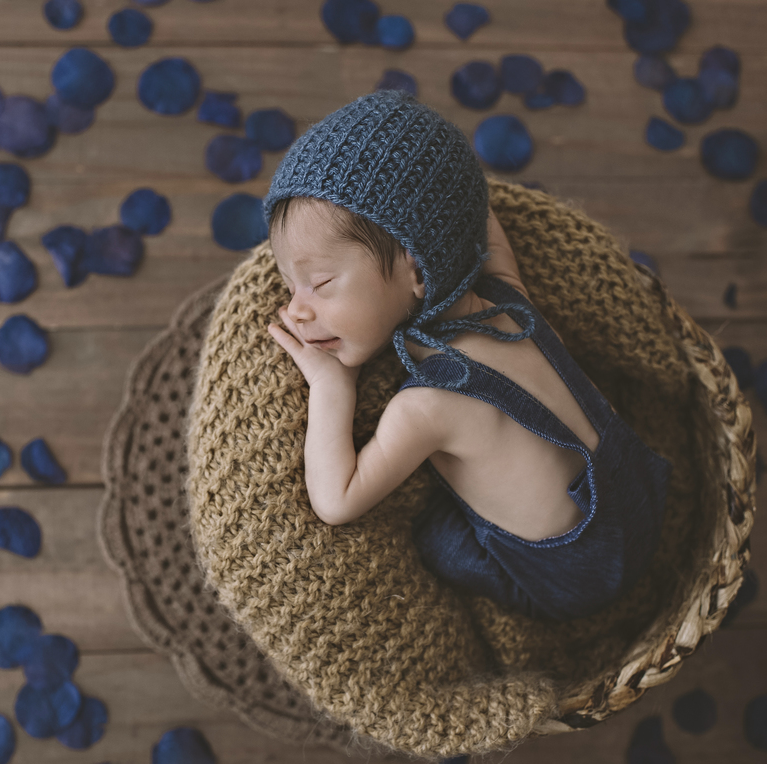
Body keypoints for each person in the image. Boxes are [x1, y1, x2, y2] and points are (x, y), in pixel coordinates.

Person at [263, 89, 673, 622]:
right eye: (289, 286)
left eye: (318, 283)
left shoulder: (426, 407)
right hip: (637, 491)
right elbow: (484, 229)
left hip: (571, 574)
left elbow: (336, 501)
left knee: (436, 541)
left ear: (417, 267)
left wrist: (330, 388)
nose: (295, 311)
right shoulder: (506, 297)